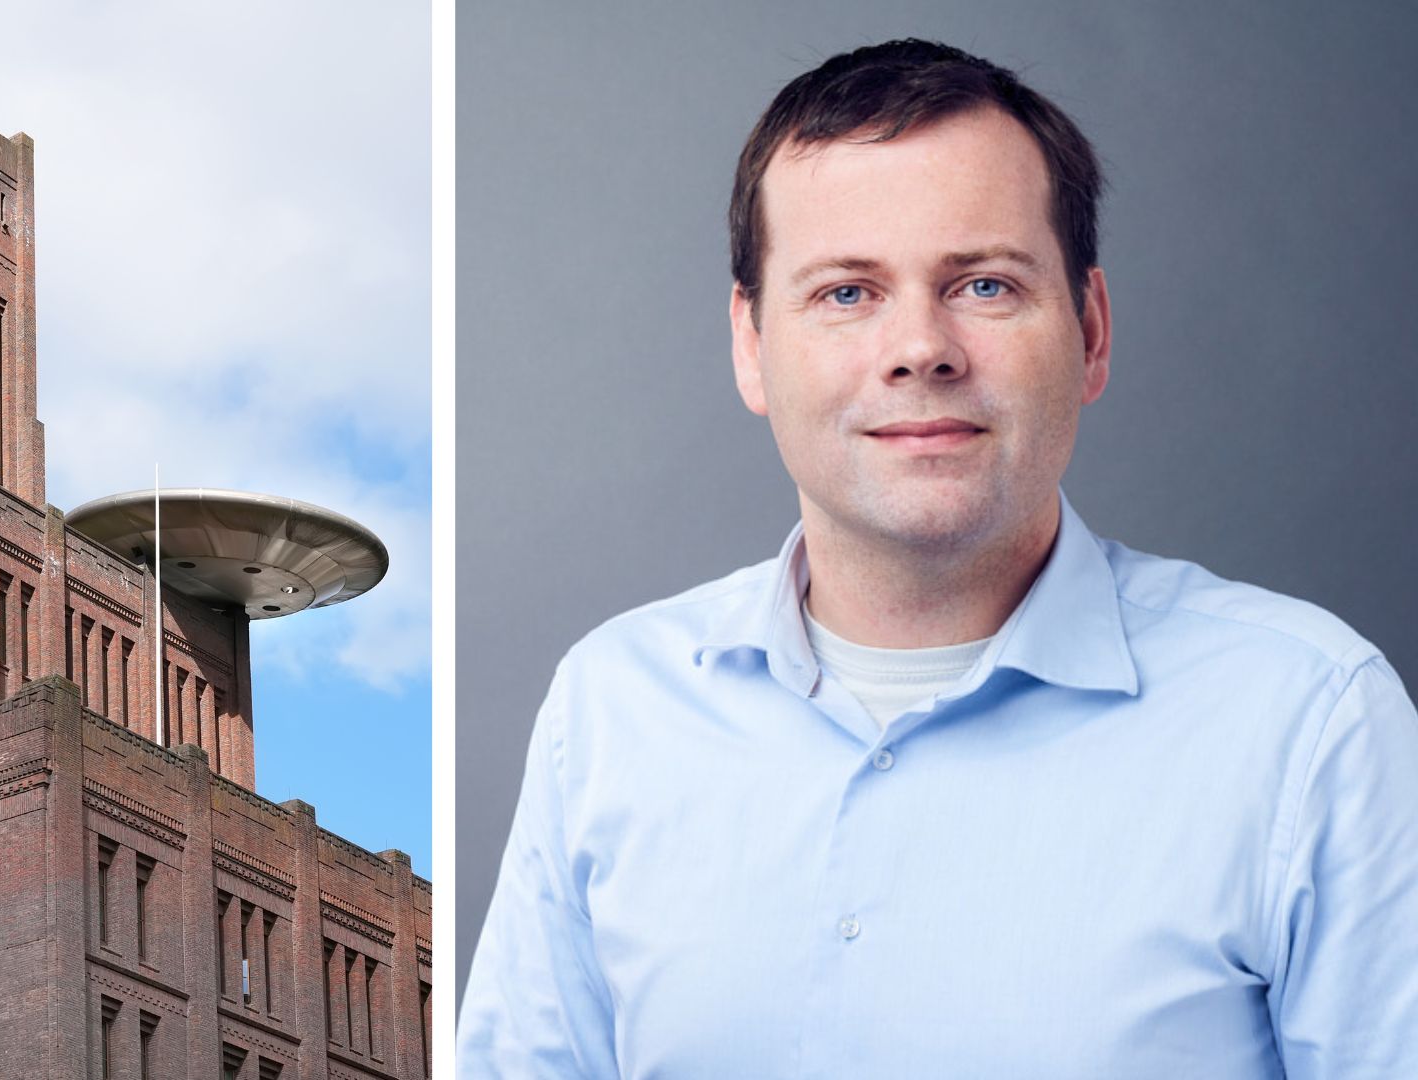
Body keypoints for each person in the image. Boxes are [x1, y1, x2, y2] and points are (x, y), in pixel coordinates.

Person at [457, 39, 1418, 1078]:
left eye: (986, 286)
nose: (921, 346)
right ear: (751, 346)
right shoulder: (610, 713)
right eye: (846, 294)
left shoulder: (1310, 721)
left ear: (1091, 331)